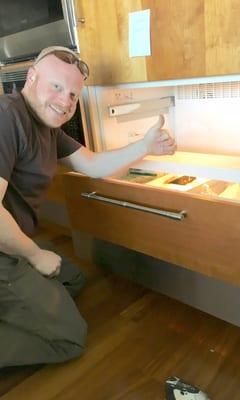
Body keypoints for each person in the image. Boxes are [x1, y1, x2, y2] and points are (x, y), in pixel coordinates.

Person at [0, 46, 176, 367]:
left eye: (73, 95)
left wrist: (145, 146)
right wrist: (34, 255)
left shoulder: (48, 128)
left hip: (11, 244)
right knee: (68, 338)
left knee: (73, 280)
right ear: (31, 77)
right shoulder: (7, 116)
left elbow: (93, 165)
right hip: (3, 252)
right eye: (57, 87)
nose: (66, 101)